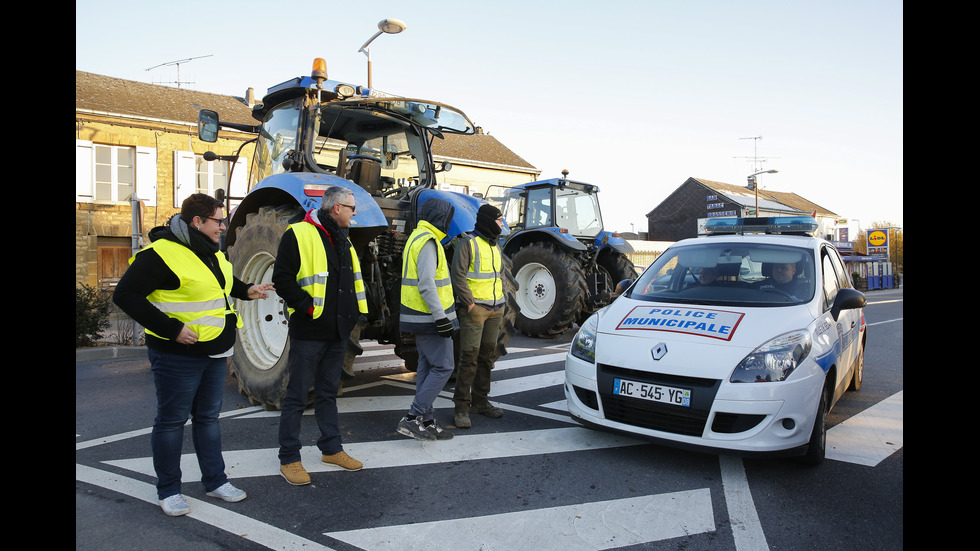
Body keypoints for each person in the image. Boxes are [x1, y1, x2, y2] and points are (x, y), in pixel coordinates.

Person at [113, 193, 274, 517]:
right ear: (197, 222)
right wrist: (170, 328)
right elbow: (125, 295)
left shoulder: (211, 251)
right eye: (218, 220)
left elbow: (220, 284)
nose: (223, 226)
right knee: (172, 422)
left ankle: (215, 481)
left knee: (207, 420)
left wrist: (247, 290)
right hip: (177, 354)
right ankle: (169, 490)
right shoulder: (161, 254)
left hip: (215, 351)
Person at [272, 186, 369, 485]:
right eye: (352, 208)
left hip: (338, 332)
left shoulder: (344, 241)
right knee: (298, 395)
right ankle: (289, 457)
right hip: (310, 331)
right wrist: (306, 308)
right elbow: (282, 279)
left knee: (328, 393)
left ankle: (331, 448)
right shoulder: (298, 234)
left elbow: (352, 283)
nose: (355, 213)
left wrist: (355, 314)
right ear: (337, 208)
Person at [396, 197, 459, 441]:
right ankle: (413, 417)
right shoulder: (429, 241)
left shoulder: (416, 236)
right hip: (431, 318)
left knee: (427, 366)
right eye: (447, 218)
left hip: (420, 317)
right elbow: (426, 284)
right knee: (444, 366)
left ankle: (426, 421)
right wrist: (441, 317)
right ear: (440, 217)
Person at [451, 204, 506, 429]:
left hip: (495, 310)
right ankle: (461, 409)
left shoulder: (496, 246)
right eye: (499, 220)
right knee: (469, 360)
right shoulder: (468, 243)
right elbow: (458, 275)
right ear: (488, 221)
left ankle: (481, 402)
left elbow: (500, 275)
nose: (502, 224)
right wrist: (470, 304)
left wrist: (502, 303)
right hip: (475, 311)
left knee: (486, 358)